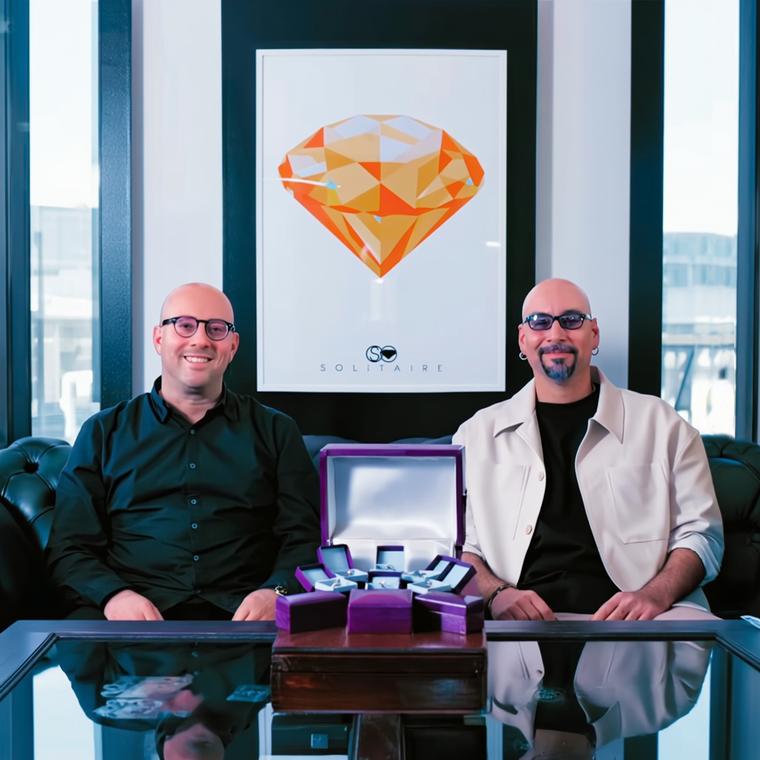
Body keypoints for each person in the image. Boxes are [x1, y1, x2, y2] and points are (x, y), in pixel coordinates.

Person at [46, 282, 320, 621]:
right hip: (131, 624)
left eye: (216, 329)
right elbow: (69, 547)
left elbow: (305, 538)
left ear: (233, 345)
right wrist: (113, 596)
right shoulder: (103, 433)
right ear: (158, 338)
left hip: (247, 621)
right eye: (184, 325)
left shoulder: (276, 431)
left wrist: (276, 592)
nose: (201, 340)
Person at [453, 278, 724, 621]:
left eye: (571, 320)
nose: (555, 334)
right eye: (539, 322)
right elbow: (458, 547)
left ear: (594, 334)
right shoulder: (476, 435)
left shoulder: (664, 425)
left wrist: (654, 595)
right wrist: (496, 594)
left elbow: (701, 534)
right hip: (516, 620)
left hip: (647, 618)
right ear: (523, 339)